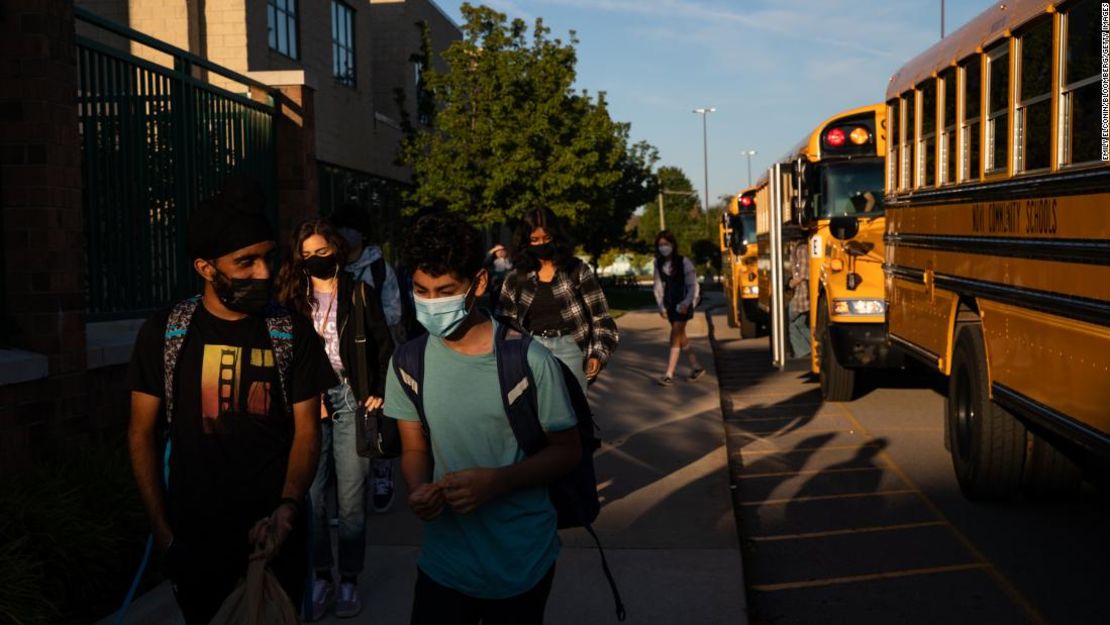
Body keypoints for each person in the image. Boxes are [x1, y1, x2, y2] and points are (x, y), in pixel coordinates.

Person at [127, 178, 337, 625]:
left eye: (267, 257)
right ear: (206, 267)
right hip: (197, 547)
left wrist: (287, 509)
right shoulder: (166, 333)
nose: (263, 273)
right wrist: (166, 538)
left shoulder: (291, 333)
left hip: (275, 542)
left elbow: (306, 431)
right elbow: (141, 434)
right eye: (246, 262)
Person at [383, 213, 581, 625]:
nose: (432, 302)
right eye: (421, 290)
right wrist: (418, 489)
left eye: (445, 291)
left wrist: (497, 482)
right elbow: (415, 445)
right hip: (443, 565)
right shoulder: (407, 361)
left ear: (478, 284)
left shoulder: (529, 361)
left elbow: (567, 452)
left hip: (521, 564)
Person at [276, 218, 394, 620]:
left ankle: (349, 580)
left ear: (337, 251)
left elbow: (384, 346)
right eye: (306, 255)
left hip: (350, 396)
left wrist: (377, 392)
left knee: (351, 497)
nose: (314, 261)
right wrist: (303, 395)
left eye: (321, 252)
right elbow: (283, 354)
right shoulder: (293, 297)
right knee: (310, 495)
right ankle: (321, 575)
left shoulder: (360, 293)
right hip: (309, 400)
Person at [329, 201, 402, 513]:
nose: (344, 235)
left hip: (375, 351)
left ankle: (382, 470)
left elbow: (394, 312)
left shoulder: (379, 268)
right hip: (343, 356)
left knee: (378, 411)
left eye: (350, 228)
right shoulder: (331, 265)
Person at [498, 207, 619, 391]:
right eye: (535, 240)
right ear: (525, 241)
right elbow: (506, 326)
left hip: (570, 348)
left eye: (547, 238)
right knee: (538, 413)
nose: (542, 244)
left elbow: (601, 317)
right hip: (533, 350)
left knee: (574, 413)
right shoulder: (515, 279)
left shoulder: (576, 270)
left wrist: (598, 354)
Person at [652, 230, 705, 386]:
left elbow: (693, 285)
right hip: (670, 305)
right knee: (681, 337)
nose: (663, 247)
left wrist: (687, 303)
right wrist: (661, 306)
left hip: (683, 305)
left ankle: (669, 374)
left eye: (666, 244)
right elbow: (658, 286)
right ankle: (696, 367)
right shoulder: (658, 263)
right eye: (660, 245)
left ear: (673, 245)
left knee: (674, 335)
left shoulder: (684, 262)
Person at [788, 239, 812, 359]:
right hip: (801, 293)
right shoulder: (796, 247)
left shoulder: (802, 249)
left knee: (790, 320)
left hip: (802, 294)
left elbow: (803, 275)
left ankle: (803, 352)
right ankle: (812, 348)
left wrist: (791, 283)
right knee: (799, 323)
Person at [484, 244, 513, 309]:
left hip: (508, 285)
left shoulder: (509, 260)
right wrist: (493, 249)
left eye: (502, 250)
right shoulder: (493, 261)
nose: (500, 252)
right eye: (498, 251)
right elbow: (486, 261)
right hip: (496, 285)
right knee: (495, 302)